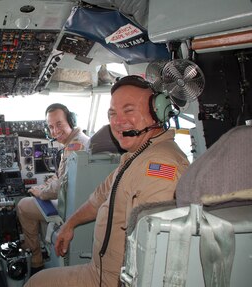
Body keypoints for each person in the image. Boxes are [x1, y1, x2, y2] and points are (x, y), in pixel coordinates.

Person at [24, 75, 190, 287]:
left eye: (129, 111)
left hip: (115, 280)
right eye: (112, 114)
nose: (118, 122)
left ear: (158, 111)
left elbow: (152, 254)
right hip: (99, 270)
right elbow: (97, 198)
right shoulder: (134, 156)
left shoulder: (158, 167)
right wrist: (70, 224)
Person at [17, 103, 90, 275]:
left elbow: (59, 188)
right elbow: (62, 177)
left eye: (59, 124)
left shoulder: (74, 147)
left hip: (71, 207)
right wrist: (45, 185)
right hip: (79, 199)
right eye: (50, 126)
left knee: (23, 205)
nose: (55, 131)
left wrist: (40, 191)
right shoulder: (78, 141)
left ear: (70, 121)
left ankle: (36, 259)